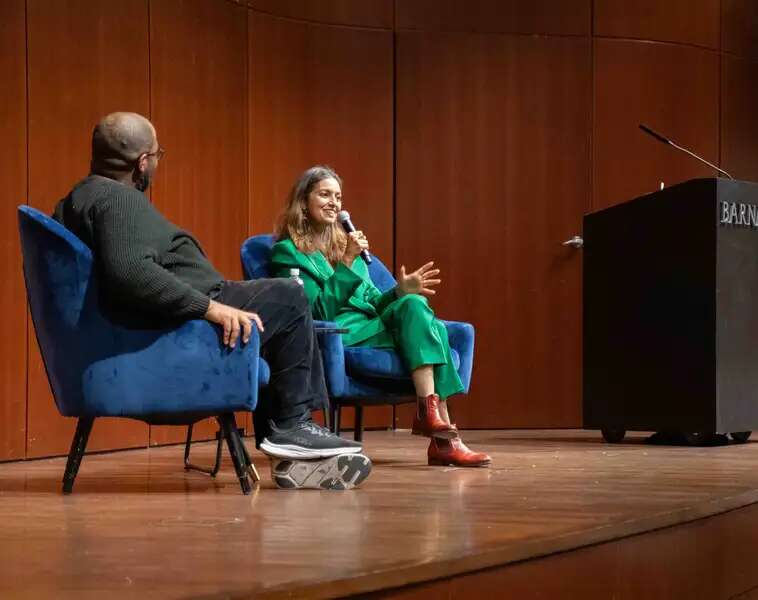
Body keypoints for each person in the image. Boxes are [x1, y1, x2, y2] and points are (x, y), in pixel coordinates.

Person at [52, 112, 371, 490]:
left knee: (274, 307)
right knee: (288, 297)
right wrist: (211, 308)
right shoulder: (117, 200)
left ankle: (291, 456)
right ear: (142, 163)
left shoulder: (80, 197)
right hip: (189, 317)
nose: (156, 163)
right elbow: (130, 274)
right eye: (157, 155)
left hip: (173, 315)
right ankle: (292, 426)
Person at [270, 165, 491, 467]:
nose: (334, 202)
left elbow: (375, 301)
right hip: (343, 332)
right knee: (432, 331)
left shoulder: (343, 245)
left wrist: (400, 291)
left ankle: (431, 418)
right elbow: (316, 311)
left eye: (338, 196)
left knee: (414, 305)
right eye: (325, 194)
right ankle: (446, 440)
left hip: (375, 325)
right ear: (304, 202)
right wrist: (347, 260)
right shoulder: (288, 252)